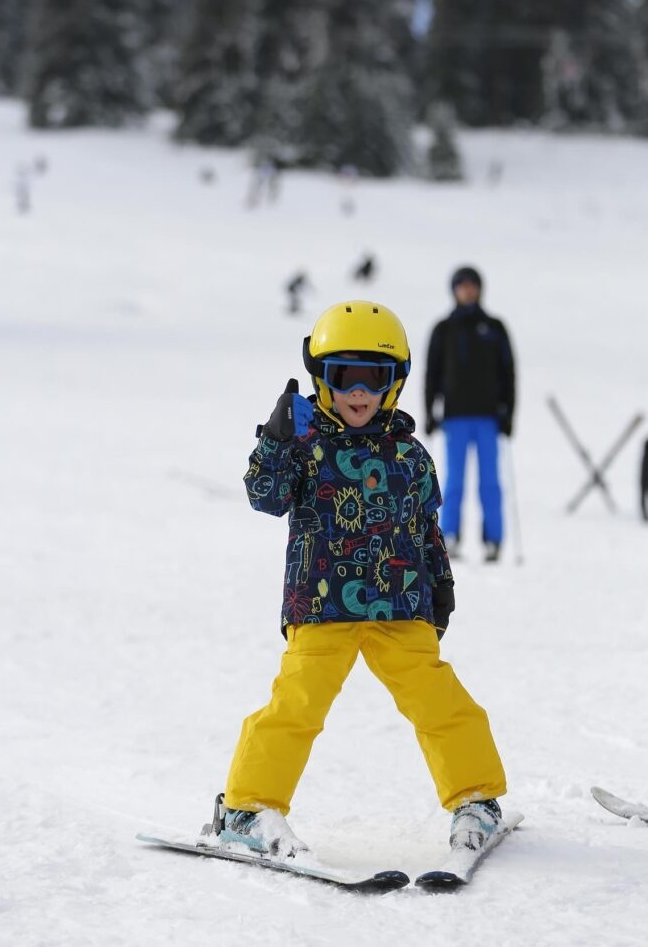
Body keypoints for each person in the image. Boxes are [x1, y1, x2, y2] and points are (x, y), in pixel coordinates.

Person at [199, 300, 507, 859]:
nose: (358, 392)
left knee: (441, 703)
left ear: (395, 383)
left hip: (401, 607)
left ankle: (477, 799)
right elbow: (264, 497)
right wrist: (275, 441)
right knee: (295, 708)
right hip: (321, 608)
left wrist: (440, 582)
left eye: (374, 377)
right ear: (322, 377)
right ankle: (246, 808)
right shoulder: (305, 445)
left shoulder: (410, 454)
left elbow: (426, 526)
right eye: (344, 376)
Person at [424, 266, 516, 562]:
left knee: (490, 481)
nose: (467, 291)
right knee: (453, 481)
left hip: (488, 417)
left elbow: (508, 372)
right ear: (454, 289)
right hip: (455, 417)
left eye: (472, 285)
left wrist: (508, 413)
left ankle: (494, 539)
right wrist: (429, 410)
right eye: (461, 286)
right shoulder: (444, 329)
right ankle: (449, 535)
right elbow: (431, 373)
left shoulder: (494, 327)